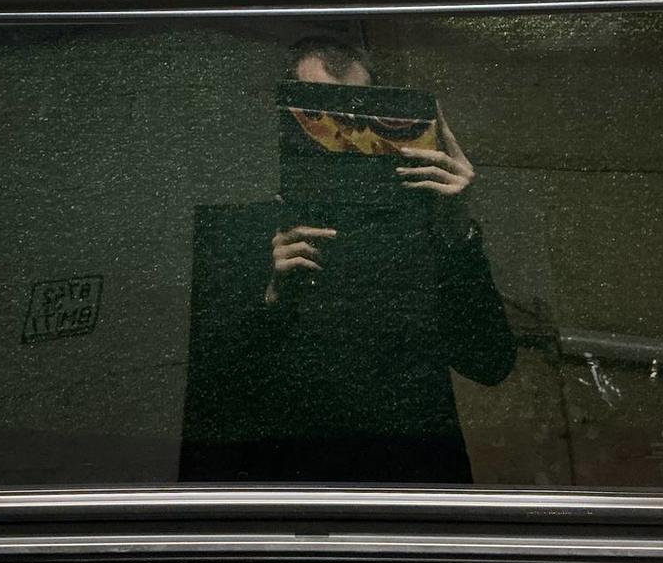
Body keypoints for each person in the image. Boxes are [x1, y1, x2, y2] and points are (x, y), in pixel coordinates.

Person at [180, 36, 516, 484]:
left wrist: (457, 224)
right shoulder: (241, 234)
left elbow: (489, 362)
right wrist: (273, 297)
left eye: (356, 114)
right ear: (286, 121)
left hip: (412, 487)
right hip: (295, 489)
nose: (341, 134)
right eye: (318, 114)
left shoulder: (418, 226)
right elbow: (212, 401)